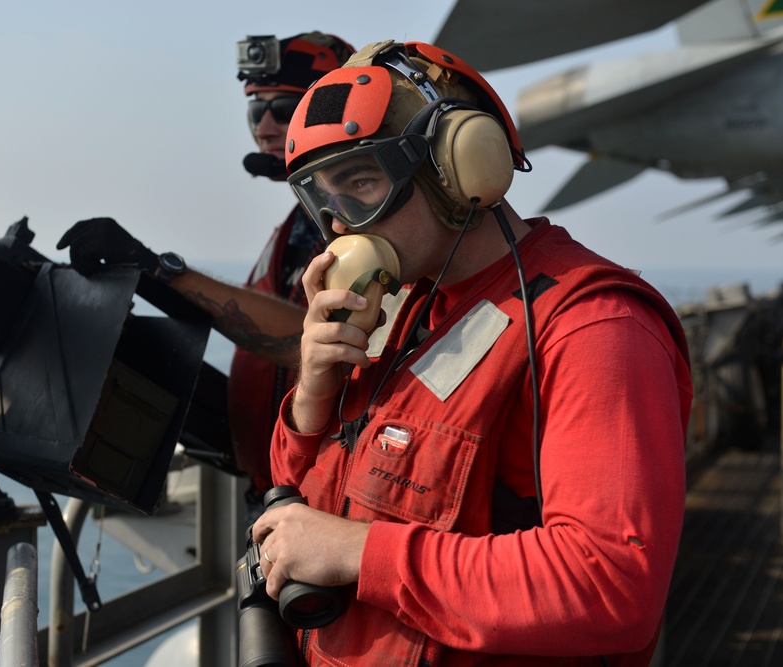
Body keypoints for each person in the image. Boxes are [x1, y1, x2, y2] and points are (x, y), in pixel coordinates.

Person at [251, 40, 693, 665]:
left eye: (362, 183)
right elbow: (300, 498)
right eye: (326, 200)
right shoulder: (406, 307)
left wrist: (358, 551)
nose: (345, 227)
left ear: (460, 168)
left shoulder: (595, 328)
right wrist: (313, 399)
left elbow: (609, 584)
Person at [56, 33, 355, 505]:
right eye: (257, 112)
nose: (266, 127)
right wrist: (148, 273)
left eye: (283, 109)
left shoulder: (358, 227)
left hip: (321, 495)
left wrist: (161, 267)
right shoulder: (294, 229)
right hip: (275, 486)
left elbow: (308, 341)